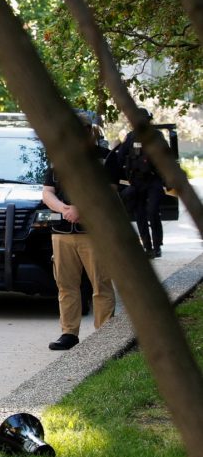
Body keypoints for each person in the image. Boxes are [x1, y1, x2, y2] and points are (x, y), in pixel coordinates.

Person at [41, 153, 116, 351]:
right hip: (61, 232)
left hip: (93, 233)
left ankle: (104, 335)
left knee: (101, 284)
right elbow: (47, 192)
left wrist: (80, 209)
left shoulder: (101, 160)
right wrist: (63, 209)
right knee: (65, 285)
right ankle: (69, 334)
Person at [115, 111, 167, 258]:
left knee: (152, 212)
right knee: (140, 215)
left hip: (153, 180)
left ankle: (157, 246)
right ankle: (147, 247)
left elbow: (166, 155)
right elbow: (119, 157)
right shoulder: (131, 137)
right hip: (136, 182)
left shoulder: (156, 136)